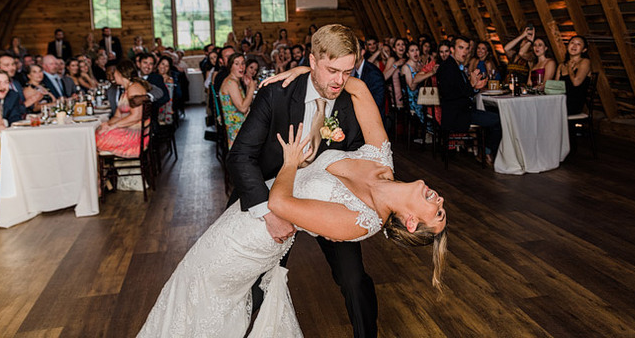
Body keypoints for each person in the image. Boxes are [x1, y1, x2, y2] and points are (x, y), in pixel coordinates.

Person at [137, 71, 447, 338]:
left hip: (274, 219)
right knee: (201, 280)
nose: (441, 200)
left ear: (411, 222)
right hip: (255, 211)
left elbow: (281, 203)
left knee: (349, 280)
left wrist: (291, 162)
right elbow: (359, 88)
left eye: (438, 213)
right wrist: (307, 71)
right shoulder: (381, 158)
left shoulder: (361, 220)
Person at [225, 24, 379, 338]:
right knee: (254, 285)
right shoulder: (277, 94)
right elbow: (240, 156)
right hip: (270, 195)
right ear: (311, 61)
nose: (339, 81)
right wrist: (267, 214)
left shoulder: (352, 101)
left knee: (354, 280)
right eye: (332, 71)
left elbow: (358, 157)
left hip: (325, 198)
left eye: (347, 72)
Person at [436, 36, 501, 166]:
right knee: (498, 120)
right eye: (461, 48)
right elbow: (450, 94)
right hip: (457, 115)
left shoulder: (455, 66)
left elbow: (461, 91)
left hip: (463, 111)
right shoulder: (447, 67)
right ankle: (486, 152)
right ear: (452, 49)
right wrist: (471, 85)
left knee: (496, 117)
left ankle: (485, 151)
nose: (464, 52)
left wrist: (475, 87)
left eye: (466, 49)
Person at [96, 60, 150, 158]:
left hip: (136, 134)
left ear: (121, 74)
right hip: (129, 129)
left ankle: (101, 167)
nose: (113, 76)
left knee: (95, 139)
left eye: (115, 73)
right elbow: (117, 116)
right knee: (98, 132)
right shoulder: (126, 90)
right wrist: (107, 124)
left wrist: (114, 126)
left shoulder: (134, 88)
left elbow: (137, 116)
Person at [218, 53, 256, 148]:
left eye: (243, 63)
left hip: (239, 123)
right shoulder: (231, 83)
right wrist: (252, 88)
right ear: (230, 66)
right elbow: (243, 108)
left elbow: (244, 103)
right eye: (237, 64)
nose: (241, 67)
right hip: (236, 129)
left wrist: (248, 87)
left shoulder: (235, 80)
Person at [401, 42, 438, 137]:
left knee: (435, 103)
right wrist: (426, 74)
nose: (415, 53)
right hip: (412, 99)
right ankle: (432, 132)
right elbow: (412, 87)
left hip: (422, 95)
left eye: (417, 50)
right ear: (407, 54)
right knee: (428, 107)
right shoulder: (406, 67)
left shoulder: (420, 64)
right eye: (412, 51)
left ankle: (434, 133)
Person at [555, 35, 592, 115]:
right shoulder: (561, 66)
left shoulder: (585, 62)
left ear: (584, 50)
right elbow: (556, 87)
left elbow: (576, 82)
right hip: (560, 101)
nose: (574, 46)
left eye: (578, 44)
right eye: (572, 43)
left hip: (574, 104)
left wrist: (569, 69)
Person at [355, 40, 385, 118]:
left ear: (362, 52)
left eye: (353, 51)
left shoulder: (373, 73)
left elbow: (377, 103)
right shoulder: (350, 71)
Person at [383, 38, 408, 108]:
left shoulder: (408, 59)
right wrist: (396, 65)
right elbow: (384, 77)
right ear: (394, 49)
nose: (401, 46)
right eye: (398, 45)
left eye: (403, 44)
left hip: (408, 94)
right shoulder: (392, 59)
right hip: (397, 95)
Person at [155, 56, 179, 126]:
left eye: (167, 66)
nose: (164, 67)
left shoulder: (169, 80)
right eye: (162, 64)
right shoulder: (153, 77)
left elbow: (169, 99)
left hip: (165, 108)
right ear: (158, 65)